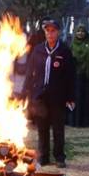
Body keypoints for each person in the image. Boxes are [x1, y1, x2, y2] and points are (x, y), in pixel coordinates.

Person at [24, 19, 75, 167]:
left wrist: (70, 97)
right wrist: (27, 91)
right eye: (47, 31)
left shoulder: (64, 51)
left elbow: (70, 76)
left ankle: (59, 157)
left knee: (58, 128)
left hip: (58, 96)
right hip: (40, 95)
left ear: (58, 32)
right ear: (44, 33)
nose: (50, 34)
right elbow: (30, 71)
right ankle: (43, 156)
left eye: (53, 31)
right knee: (42, 128)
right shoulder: (38, 49)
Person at [67, 24, 89, 127]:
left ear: (86, 33)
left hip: (88, 76)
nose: (80, 33)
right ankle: (75, 121)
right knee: (76, 99)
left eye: (82, 31)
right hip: (75, 77)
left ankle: (87, 121)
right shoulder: (72, 45)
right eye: (78, 31)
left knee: (87, 100)